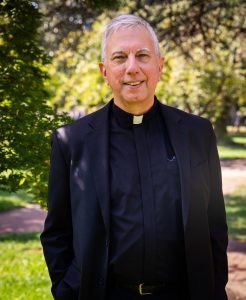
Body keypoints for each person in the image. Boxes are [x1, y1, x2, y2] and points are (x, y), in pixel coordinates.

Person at [40, 14, 228, 300]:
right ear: (104, 71)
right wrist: (67, 289)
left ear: (159, 65)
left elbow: (215, 224)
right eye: (119, 57)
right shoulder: (72, 141)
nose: (132, 68)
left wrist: (213, 289)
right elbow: (57, 232)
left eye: (142, 55)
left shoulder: (197, 133)